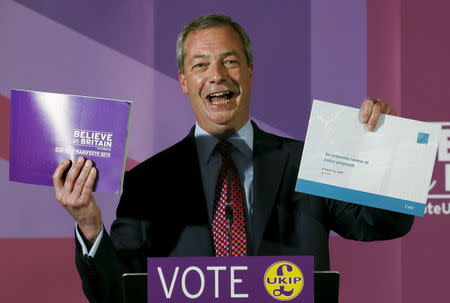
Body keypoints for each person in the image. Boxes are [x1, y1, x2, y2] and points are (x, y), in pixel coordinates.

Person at [53, 14, 413, 303]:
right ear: (183, 80)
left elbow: (383, 223)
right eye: (200, 65)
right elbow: (115, 293)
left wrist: (387, 148)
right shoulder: (148, 182)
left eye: (230, 61)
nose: (217, 76)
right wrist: (88, 225)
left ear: (250, 71)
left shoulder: (307, 161)